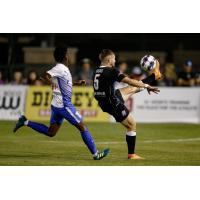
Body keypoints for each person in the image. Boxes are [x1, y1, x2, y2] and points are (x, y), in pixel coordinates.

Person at [13, 46, 109, 160]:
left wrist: (76, 83)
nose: (68, 56)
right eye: (67, 54)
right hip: (64, 104)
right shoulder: (59, 68)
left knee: (51, 132)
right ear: (65, 56)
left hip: (56, 104)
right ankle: (96, 154)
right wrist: (49, 82)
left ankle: (25, 121)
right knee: (82, 127)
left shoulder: (63, 68)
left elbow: (65, 82)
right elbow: (44, 75)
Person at [93, 49, 161, 159]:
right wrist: (146, 86)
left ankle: (154, 76)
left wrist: (145, 85)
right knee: (132, 125)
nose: (115, 61)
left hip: (106, 101)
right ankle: (131, 154)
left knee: (132, 89)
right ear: (109, 60)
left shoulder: (96, 71)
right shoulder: (111, 71)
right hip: (113, 103)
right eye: (114, 59)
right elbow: (129, 80)